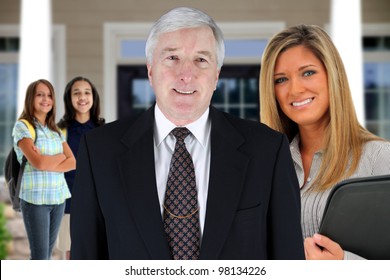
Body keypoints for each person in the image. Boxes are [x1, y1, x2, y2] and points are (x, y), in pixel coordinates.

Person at [70, 7, 304, 260]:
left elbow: (288, 261)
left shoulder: (268, 150)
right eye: (172, 58)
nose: (186, 75)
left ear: (216, 75)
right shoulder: (99, 151)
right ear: (150, 71)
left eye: (201, 60)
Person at [259, 24, 390, 260]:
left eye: (308, 72)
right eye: (280, 79)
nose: (295, 89)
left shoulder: (379, 158)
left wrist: (344, 264)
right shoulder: (265, 165)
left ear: (333, 75)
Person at [12, 79, 76, 259]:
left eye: (49, 95)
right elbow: (38, 163)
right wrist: (60, 158)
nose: (45, 99)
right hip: (35, 200)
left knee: (47, 255)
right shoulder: (23, 127)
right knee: (40, 257)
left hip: (58, 198)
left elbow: (73, 162)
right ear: (31, 98)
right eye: (40, 95)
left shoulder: (56, 131)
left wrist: (48, 161)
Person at [56, 76, 105, 260]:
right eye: (76, 93)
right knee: (70, 255)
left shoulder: (104, 131)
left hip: (98, 205)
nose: (82, 97)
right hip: (68, 204)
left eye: (87, 92)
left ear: (94, 97)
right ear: (69, 99)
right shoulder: (58, 131)